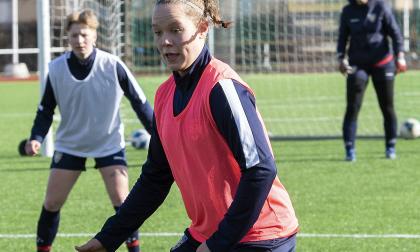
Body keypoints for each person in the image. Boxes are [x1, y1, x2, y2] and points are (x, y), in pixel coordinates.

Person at [75, 1, 298, 252]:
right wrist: (108, 238)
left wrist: (218, 243)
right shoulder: (164, 95)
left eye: (175, 30)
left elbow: (260, 169)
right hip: (210, 231)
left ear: (202, 28)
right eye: (158, 32)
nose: (165, 41)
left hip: (259, 235)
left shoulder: (221, 88)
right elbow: (155, 177)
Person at [25, 9, 153, 252]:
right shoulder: (56, 69)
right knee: (52, 202)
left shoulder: (113, 65)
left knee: (123, 203)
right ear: (68, 38)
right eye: (74, 35)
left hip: (109, 143)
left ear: (94, 35)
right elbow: (45, 110)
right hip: (70, 145)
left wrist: (160, 135)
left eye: (84, 34)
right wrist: (36, 138)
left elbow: (141, 103)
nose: (79, 40)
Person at [337, 0, 407, 161]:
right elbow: (342, 38)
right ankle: (350, 149)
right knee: (352, 107)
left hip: (382, 63)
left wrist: (400, 57)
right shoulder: (348, 11)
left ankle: (390, 146)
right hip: (358, 64)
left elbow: (395, 33)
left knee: (387, 106)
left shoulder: (381, 6)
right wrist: (341, 58)